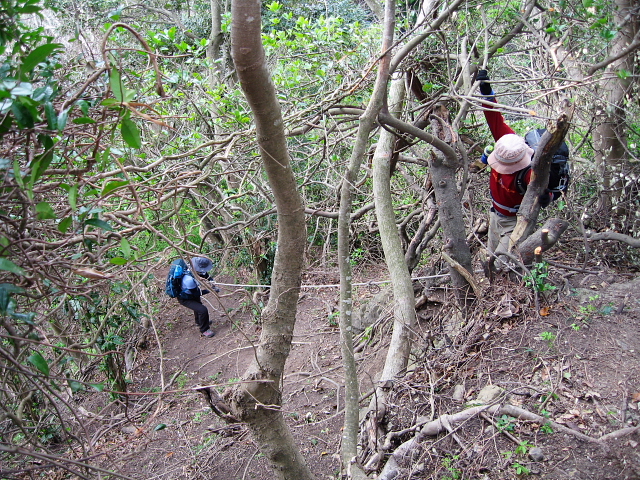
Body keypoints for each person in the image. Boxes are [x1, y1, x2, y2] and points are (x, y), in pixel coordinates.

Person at [476, 69, 554, 260]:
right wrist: (486, 91)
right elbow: (494, 116)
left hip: (513, 222)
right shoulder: (506, 142)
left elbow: (542, 187)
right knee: (490, 257)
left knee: (504, 262)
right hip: (495, 215)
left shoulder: (529, 172)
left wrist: (547, 197)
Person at [178, 257, 220, 338]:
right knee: (202, 310)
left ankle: (199, 321)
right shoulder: (188, 279)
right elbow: (196, 294)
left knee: (198, 305)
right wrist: (210, 290)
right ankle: (204, 329)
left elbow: (205, 275)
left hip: (191, 292)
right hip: (184, 297)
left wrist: (212, 281)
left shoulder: (194, 268)